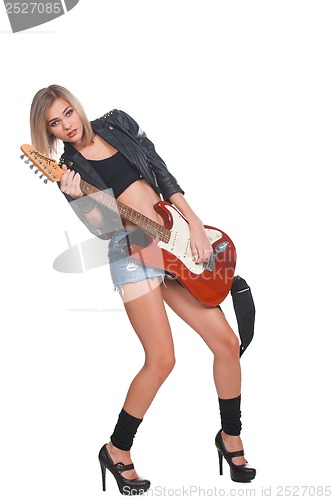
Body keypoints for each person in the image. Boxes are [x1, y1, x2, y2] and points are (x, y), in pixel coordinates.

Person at [30, 85, 256, 495]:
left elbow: (161, 171)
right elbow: (102, 228)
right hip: (132, 250)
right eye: (55, 124)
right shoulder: (68, 169)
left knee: (226, 342)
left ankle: (230, 438)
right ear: (49, 132)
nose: (66, 125)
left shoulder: (117, 121)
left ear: (75, 106)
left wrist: (195, 224)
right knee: (162, 359)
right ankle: (117, 449)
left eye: (67, 113)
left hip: (175, 239)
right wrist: (80, 198)